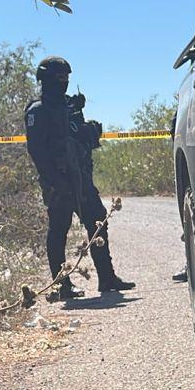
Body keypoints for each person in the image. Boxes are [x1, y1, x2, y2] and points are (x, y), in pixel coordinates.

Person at [24, 56, 135, 300]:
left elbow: (80, 137)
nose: (63, 82)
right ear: (46, 79)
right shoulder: (38, 111)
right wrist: (54, 181)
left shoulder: (68, 108)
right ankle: (60, 286)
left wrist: (87, 129)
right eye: (59, 78)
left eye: (66, 78)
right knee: (59, 231)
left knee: (98, 223)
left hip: (81, 178)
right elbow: (37, 151)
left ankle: (106, 278)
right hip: (59, 181)